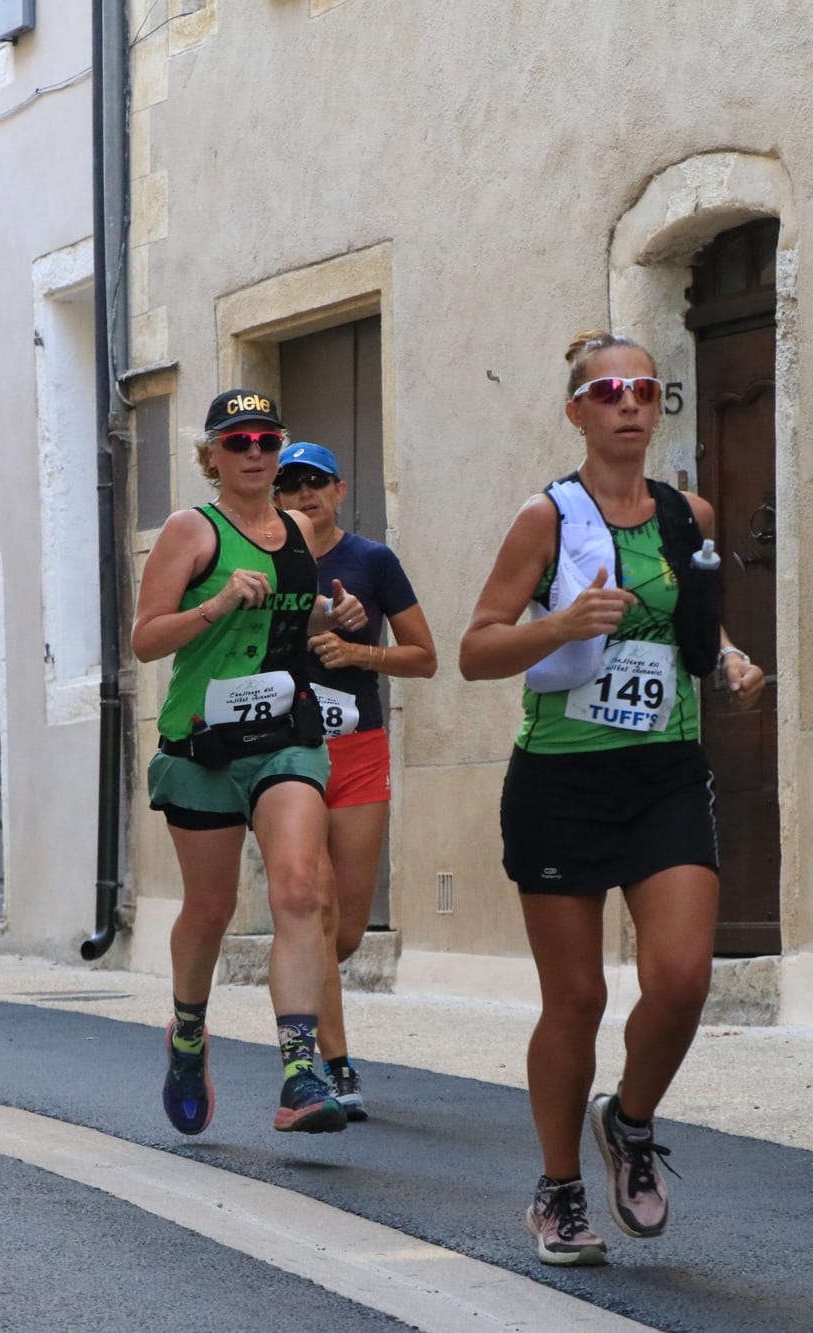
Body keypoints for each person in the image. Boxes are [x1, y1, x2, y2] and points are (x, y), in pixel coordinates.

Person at [458, 330, 766, 1266]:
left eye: (644, 389)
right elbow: (477, 648)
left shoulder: (688, 514)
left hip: (665, 772)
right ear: (577, 411)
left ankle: (629, 1122)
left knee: (682, 979)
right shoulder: (546, 519)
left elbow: (695, 627)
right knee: (578, 996)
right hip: (562, 779)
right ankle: (557, 1188)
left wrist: (730, 659)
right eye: (608, 391)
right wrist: (561, 623)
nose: (628, 402)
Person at [133, 388, 368, 1137]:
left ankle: (301, 1072)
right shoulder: (190, 530)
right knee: (211, 909)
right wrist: (216, 603)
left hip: (285, 734)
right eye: (238, 441)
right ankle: (187, 1031)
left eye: (267, 439)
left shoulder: (298, 527)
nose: (256, 452)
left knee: (299, 888)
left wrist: (337, 614)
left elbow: (292, 616)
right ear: (212, 455)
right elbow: (145, 638)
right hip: (203, 742)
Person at [274, 442, 437, 1121]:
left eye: (316, 482)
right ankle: (333, 1065)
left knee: (342, 933)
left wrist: (357, 650)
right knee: (314, 909)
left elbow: (424, 656)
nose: (304, 494)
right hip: (289, 752)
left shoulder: (373, 561)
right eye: (290, 484)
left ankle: (311, 1006)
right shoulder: (265, 560)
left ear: (340, 490)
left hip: (360, 748)